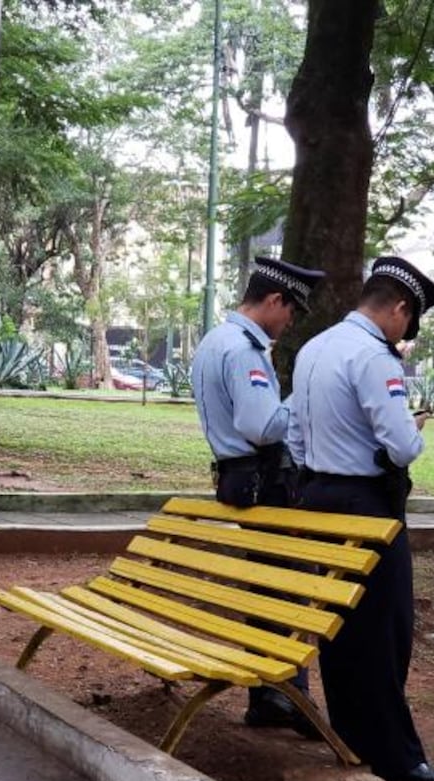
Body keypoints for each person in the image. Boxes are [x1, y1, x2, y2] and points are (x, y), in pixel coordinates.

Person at [286, 256, 434, 781]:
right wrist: (416, 427)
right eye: (409, 322)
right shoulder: (374, 357)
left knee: (339, 628)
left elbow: (293, 432)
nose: (406, 334)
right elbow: (402, 447)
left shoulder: (315, 347)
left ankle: (352, 736)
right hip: (366, 506)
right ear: (400, 309)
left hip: (317, 494)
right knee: (384, 630)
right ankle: (396, 756)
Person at [191, 256, 326, 734]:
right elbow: (263, 425)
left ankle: (270, 697)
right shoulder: (245, 350)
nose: (289, 322)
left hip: (240, 478)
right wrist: (302, 397)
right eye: (290, 311)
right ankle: (292, 698)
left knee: (267, 585)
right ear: (273, 300)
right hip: (266, 481)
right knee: (288, 589)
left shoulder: (215, 340)